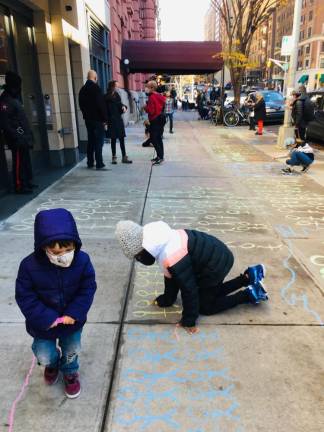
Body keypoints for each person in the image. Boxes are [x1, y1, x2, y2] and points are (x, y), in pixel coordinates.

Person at [116, 220, 268, 334]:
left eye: (138, 256)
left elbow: (189, 289)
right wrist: (167, 299)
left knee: (205, 306)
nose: (139, 260)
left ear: (143, 249)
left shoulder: (171, 255)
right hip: (213, 256)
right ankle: (248, 277)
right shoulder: (159, 240)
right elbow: (171, 277)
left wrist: (189, 320)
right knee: (209, 293)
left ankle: (249, 294)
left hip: (215, 264)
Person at [15, 208, 97, 398]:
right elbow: (25, 296)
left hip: (72, 322)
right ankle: (52, 365)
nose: (63, 255)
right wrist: (45, 317)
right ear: (44, 247)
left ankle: (70, 372)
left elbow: (88, 288)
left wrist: (74, 313)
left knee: (72, 349)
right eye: (56, 251)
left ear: (75, 244)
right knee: (44, 353)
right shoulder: (29, 266)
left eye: (69, 250)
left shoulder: (82, 261)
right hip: (44, 324)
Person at [0, 71, 35, 194]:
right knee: (18, 162)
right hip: (16, 138)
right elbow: (5, 123)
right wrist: (17, 135)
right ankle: (19, 185)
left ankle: (27, 181)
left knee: (25, 160)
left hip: (22, 136)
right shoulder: (5, 100)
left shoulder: (13, 99)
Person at [79, 70, 107, 170]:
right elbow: (101, 105)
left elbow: (81, 105)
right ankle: (99, 163)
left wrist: (86, 114)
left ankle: (90, 162)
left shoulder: (82, 89)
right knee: (99, 141)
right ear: (95, 78)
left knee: (91, 140)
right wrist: (105, 119)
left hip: (88, 119)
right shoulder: (96, 88)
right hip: (97, 120)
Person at [105, 80, 132, 164]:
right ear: (112, 86)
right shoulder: (106, 97)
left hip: (118, 120)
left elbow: (120, 105)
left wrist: (124, 107)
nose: (117, 87)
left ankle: (124, 157)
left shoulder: (117, 95)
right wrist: (105, 122)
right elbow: (105, 110)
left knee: (121, 138)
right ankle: (114, 157)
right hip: (111, 121)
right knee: (113, 139)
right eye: (116, 86)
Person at [144, 81, 166, 166]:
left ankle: (160, 157)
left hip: (155, 119)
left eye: (147, 87)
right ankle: (160, 156)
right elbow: (162, 104)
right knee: (158, 138)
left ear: (152, 88)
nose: (146, 88)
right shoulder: (159, 96)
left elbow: (151, 111)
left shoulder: (152, 97)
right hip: (161, 118)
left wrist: (146, 108)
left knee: (154, 138)